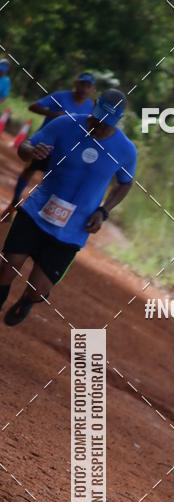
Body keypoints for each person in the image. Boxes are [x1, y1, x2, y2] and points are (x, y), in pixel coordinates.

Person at [0, 88, 136, 326]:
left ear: (118, 120)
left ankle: (27, 301)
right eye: (97, 118)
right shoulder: (65, 124)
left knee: (38, 290)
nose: (98, 125)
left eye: (106, 124)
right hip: (36, 212)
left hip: (73, 229)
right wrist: (33, 151)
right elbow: (26, 149)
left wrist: (104, 211)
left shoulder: (126, 150)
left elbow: (125, 184)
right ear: (94, 106)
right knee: (6, 269)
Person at [1, 72, 96, 219]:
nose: (84, 88)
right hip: (43, 144)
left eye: (88, 86)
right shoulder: (60, 97)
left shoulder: (91, 107)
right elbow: (33, 107)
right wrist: (53, 114)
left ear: (92, 89)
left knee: (51, 182)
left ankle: (35, 213)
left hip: (65, 152)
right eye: (82, 84)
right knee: (28, 172)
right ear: (76, 83)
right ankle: (13, 203)